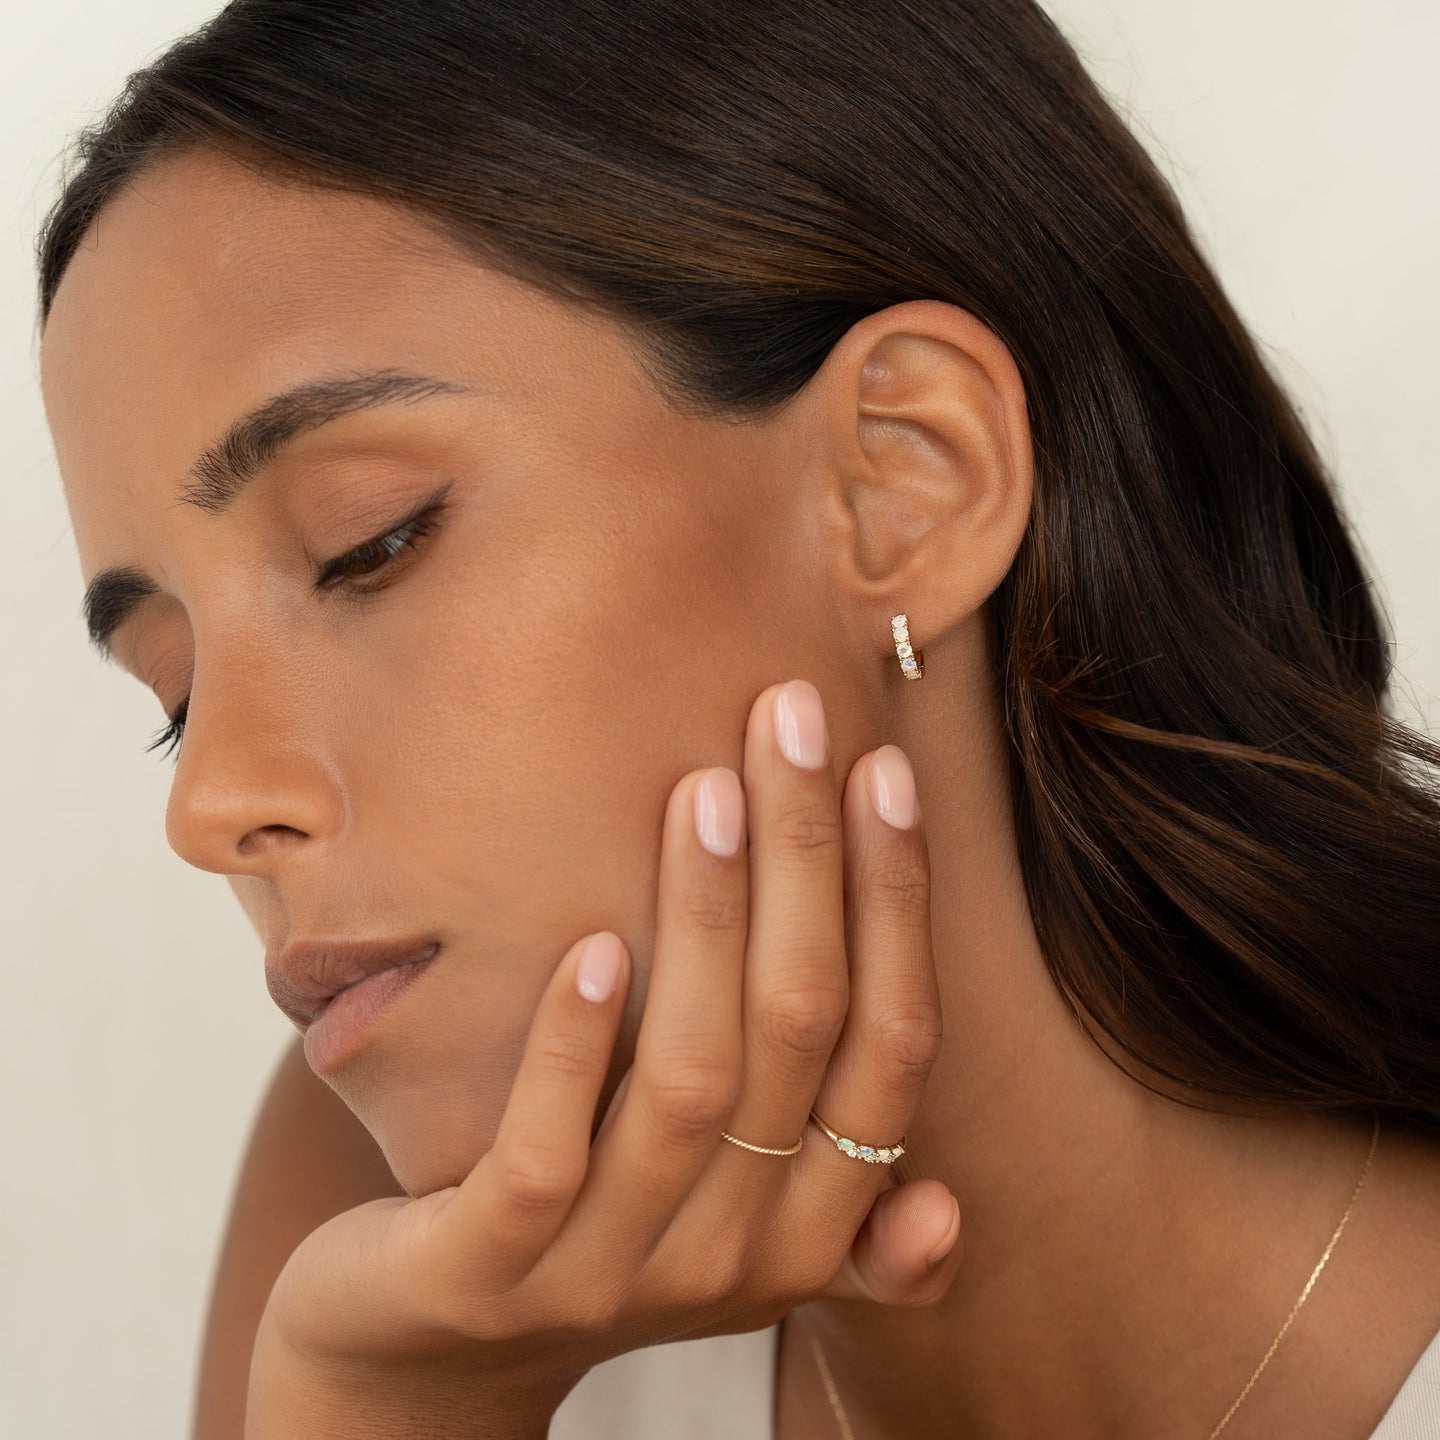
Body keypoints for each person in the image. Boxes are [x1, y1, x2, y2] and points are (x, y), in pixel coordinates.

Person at [33, 2, 1440, 1436]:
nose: (207, 807)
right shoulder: (381, 1247)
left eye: (368, 544)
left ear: (906, 485)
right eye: (176, 694)